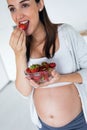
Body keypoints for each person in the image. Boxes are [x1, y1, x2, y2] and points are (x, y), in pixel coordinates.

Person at [7, 0, 87, 130]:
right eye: (12, 9)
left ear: (40, 4)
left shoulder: (66, 33)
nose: (18, 15)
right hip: (44, 126)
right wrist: (18, 54)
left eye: (25, 5)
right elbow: (25, 92)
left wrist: (62, 79)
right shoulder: (21, 46)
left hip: (79, 124)